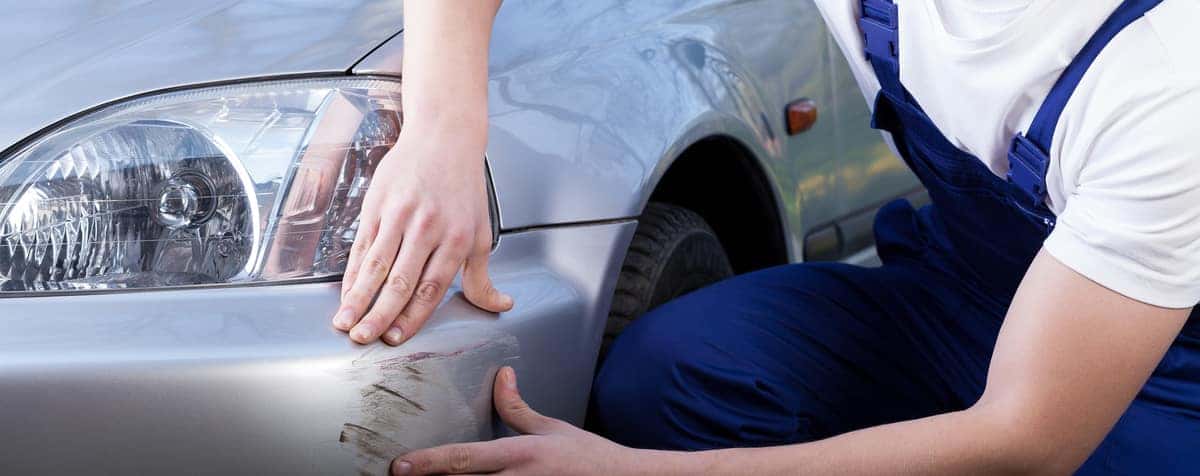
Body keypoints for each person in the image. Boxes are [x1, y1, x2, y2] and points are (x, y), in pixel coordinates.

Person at [350, 1, 1200, 474]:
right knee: (672, 377)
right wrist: (440, 128)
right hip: (962, 297)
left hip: (1146, 378)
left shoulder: (1164, 72)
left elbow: (1030, 438)